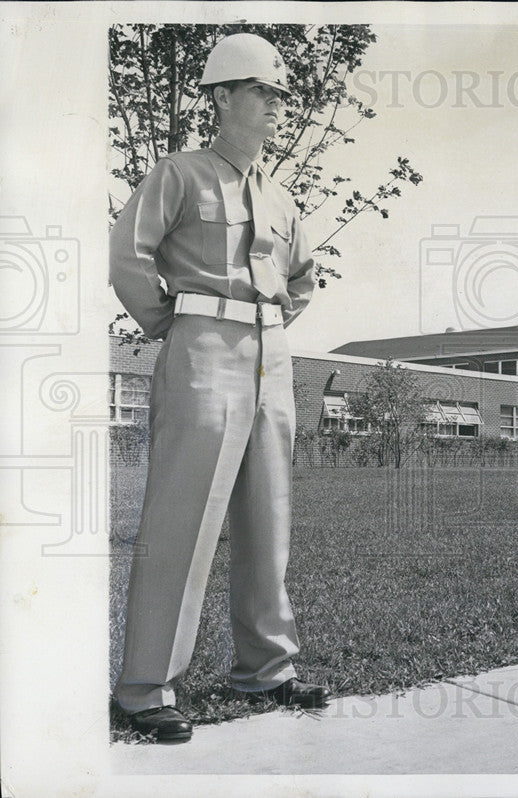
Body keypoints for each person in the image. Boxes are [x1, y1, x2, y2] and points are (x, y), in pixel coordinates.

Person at [110, 32, 330, 743]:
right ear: (222, 97)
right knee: (183, 517)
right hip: (203, 348)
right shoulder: (179, 174)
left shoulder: (282, 196)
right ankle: (146, 687)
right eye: (262, 93)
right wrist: (173, 324)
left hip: (273, 355)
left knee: (269, 519)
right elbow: (128, 256)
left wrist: (271, 321)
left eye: (280, 97)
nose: (276, 107)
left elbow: (304, 275)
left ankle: (266, 670)